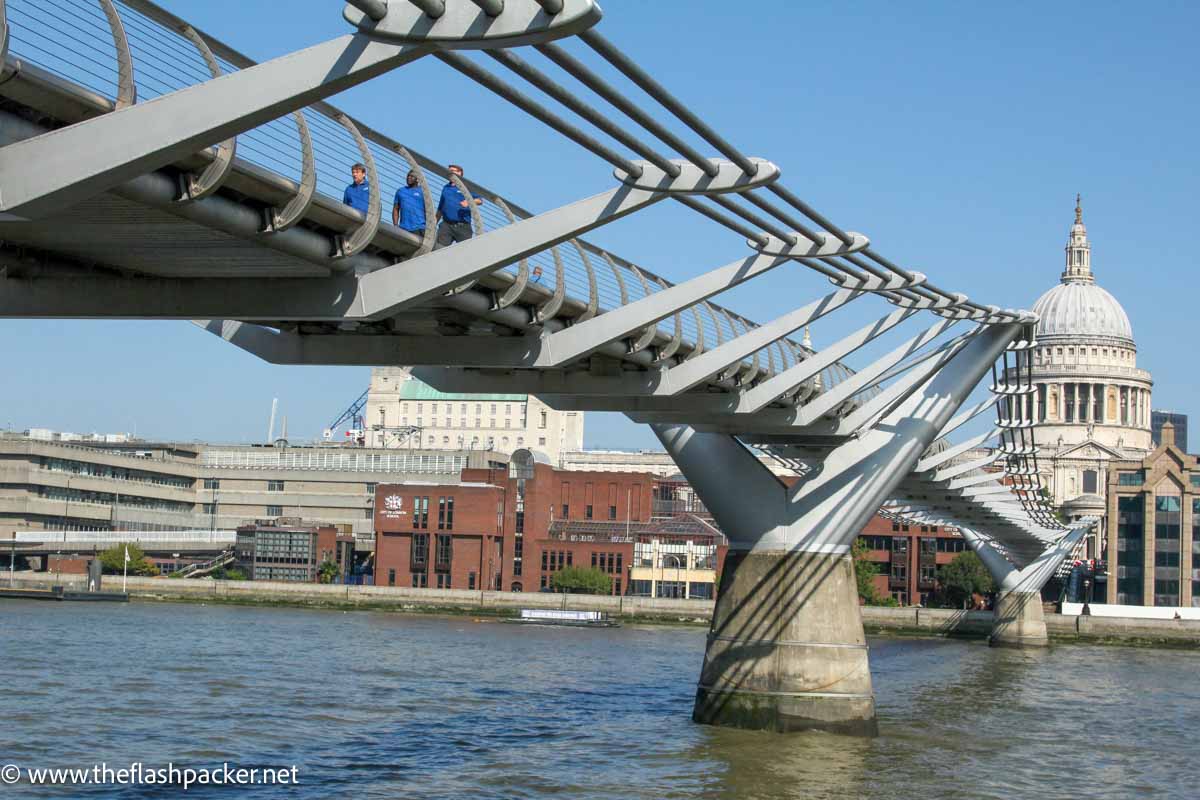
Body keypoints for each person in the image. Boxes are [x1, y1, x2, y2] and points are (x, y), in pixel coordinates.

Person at [434, 164, 483, 249]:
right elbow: (440, 209)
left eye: (452, 171)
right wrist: (433, 224)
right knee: (438, 250)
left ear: (460, 173)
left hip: (463, 226)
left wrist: (468, 202)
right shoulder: (446, 188)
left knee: (463, 253)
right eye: (448, 171)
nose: (449, 172)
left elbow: (480, 200)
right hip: (446, 225)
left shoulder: (466, 186)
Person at [392, 170, 427, 236]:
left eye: (412, 176)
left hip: (420, 228)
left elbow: (428, 211)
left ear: (417, 179)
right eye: (408, 176)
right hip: (403, 228)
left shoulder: (423, 192)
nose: (409, 178)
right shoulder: (400, 191)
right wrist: (395, 225)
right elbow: (395, 209)